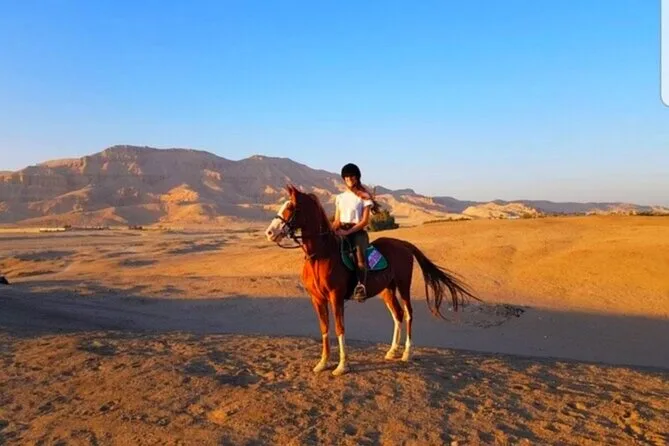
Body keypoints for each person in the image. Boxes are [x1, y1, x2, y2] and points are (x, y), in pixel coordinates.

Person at [332, 163, 380, 302]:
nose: (349, 179)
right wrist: (332, 230)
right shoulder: (340, 197)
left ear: (357, 177)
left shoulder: (365, 197)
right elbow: (337, 220)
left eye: (351, 176)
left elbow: (364, 221)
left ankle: (361, 286)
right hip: (341, 230)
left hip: (357, 232)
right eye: (346, 177)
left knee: (359, 258)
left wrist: (349, 232)